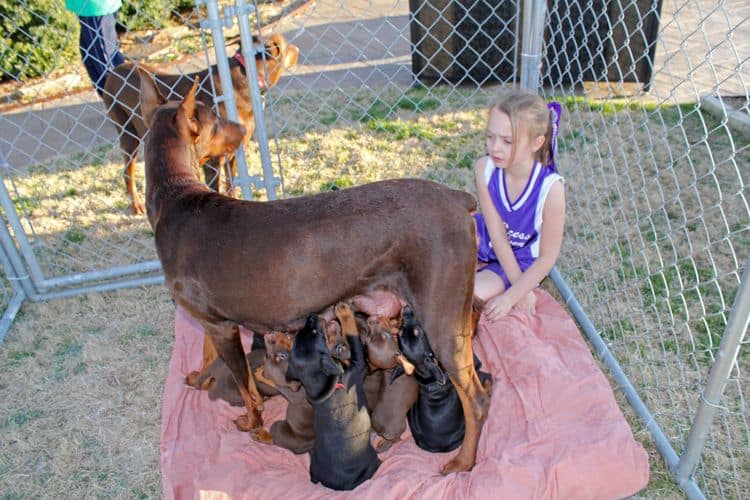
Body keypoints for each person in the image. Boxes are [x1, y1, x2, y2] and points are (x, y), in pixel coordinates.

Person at [473, 88, 566, 321]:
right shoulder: (484, 169)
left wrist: (513, 295)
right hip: (488, 238)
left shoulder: (551, 189)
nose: (494, 147)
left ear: (536, 143)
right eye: (490, 136)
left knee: (468, 293)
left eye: (507, 141)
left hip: (520, 258)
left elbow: (547, 257)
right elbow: (495, 232)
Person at [65, 0, 125, 98]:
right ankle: (117, 107)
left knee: (105, 63)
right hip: (87, 7)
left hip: (97, 6)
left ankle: (127, 106)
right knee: (91, 59)